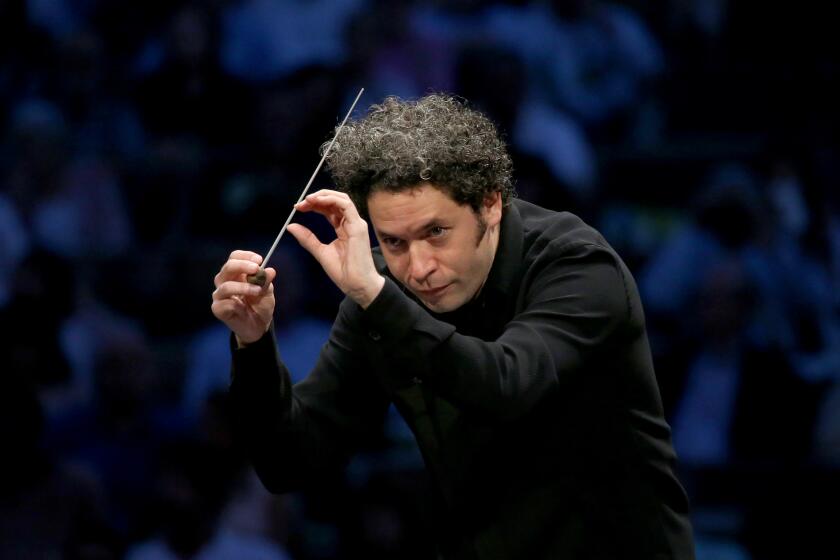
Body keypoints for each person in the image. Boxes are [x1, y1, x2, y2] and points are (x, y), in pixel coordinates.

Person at [211, 94, 695, 559]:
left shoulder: (578, 265)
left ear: (489, 204)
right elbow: (291, 462)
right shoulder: (380, 292)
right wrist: (253, 343)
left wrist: (378, 299)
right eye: (394, 241)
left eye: (435, 233)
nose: (418, 267)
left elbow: (506, 386)